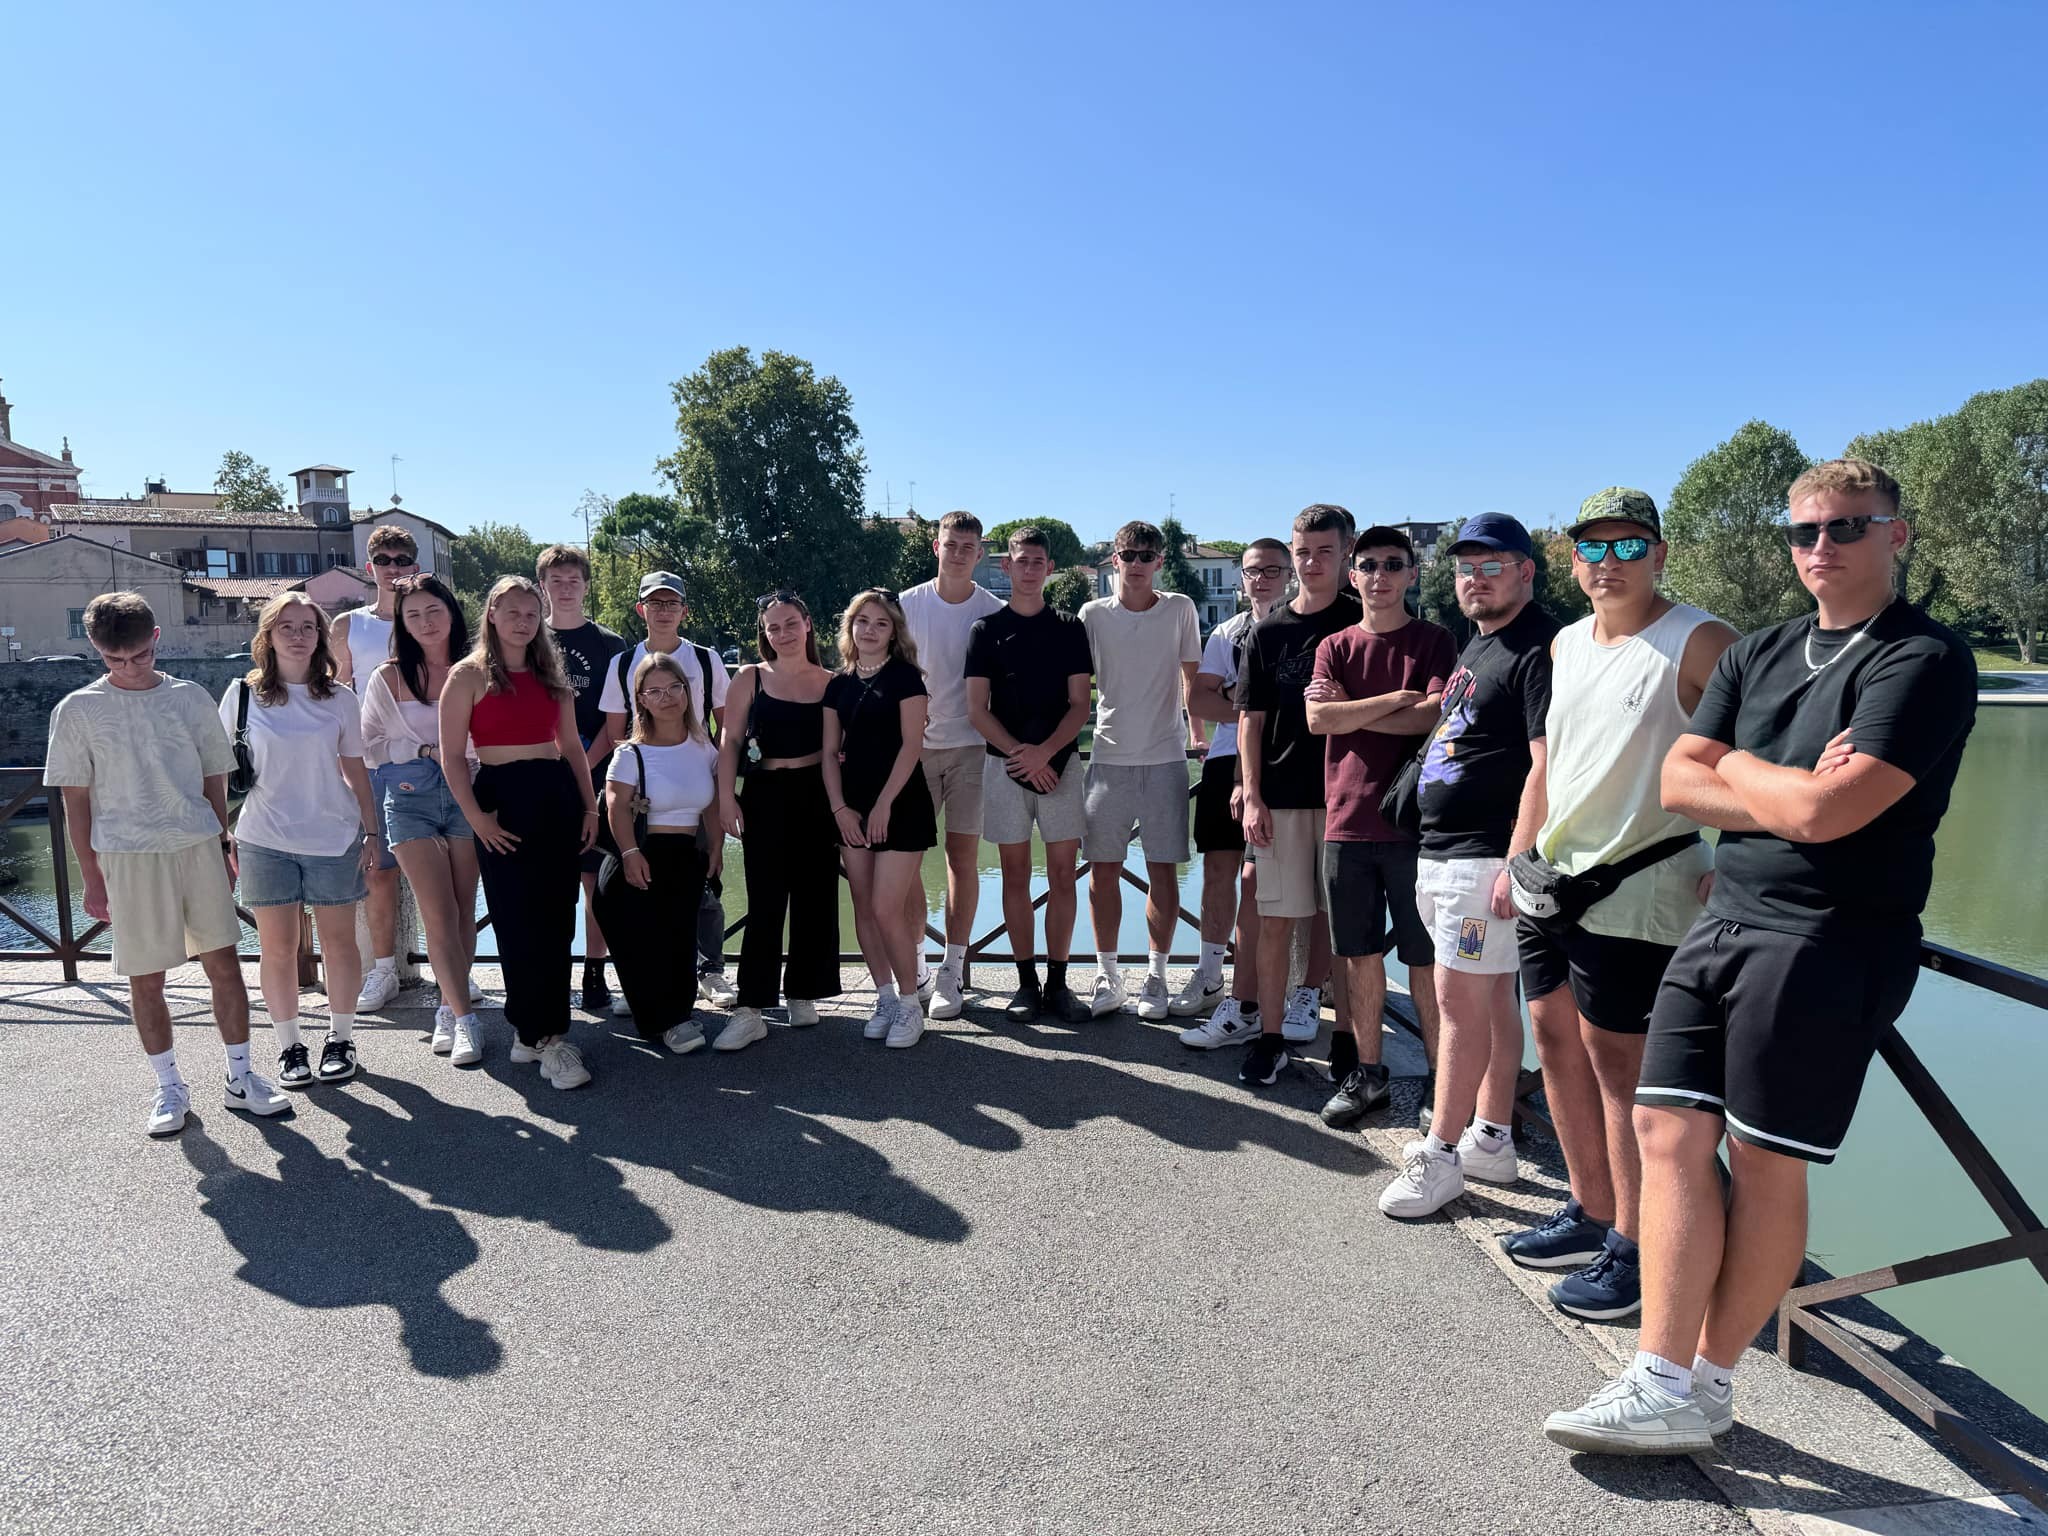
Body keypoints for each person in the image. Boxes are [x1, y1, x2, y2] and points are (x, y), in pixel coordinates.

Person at [1546, 460, 1975, 1454]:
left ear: (1895, 534)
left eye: (1845, 527)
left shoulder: (1922, 658)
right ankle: (1657, 1376)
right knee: (1664, 1132)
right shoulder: (1760, 651)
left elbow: (1830, 815)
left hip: (1829, 938)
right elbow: (1680, 781)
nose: (1819, 547)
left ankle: (1704, 1382)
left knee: (1765, 1163)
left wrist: (1736, 772)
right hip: (1722, 922)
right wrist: (1768, 778)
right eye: (1802, 531)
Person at [1501, 490, 1734, 1323]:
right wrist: (1518, 857)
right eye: (1593, 549)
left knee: (1623, 1072)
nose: (1610, 563)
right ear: (1571, 562)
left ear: (1660, 555)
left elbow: (1764, 755)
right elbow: (1551, 765)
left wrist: (1737, 860)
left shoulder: (1699, 640)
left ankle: (1639, 1249)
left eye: (1629, 546)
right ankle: (1592, 1209)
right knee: (1555, 1042)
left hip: (1642, 889)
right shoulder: (1566, 643)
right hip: (1550, 883)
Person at [44, 591, 289, 1135]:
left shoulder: (190, 698)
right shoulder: (77, 710)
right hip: (127, 856)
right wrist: (91, 878)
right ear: (96, 650)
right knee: (146, 978)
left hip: (195, 846)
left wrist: (222, 845)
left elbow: (213, 779)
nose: (129, 667)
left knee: (225, 966)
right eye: (114, 659)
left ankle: (241, 1077)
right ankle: (169, 1087)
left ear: (156, 639)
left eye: (140, 655)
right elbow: (75, 803)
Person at [1379, 512, 1558, 1219]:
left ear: (1525, 571)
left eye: (1491, 567)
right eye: (1464, 569)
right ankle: (1492, 1137)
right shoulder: (1479, 643)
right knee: (1489, 1000)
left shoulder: (1538, 649)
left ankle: (1441, 1155)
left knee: (1457, 1007)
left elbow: (1547, 763)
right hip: (1449, 851)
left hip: (1483, 860)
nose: (1474, 580)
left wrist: (1517, 860)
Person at [1305, 526, 1457, 1125]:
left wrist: (1353, 711)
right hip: (1346, 823)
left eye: (1394, 564)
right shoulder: (1335, 645)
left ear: (1412, 574)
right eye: (1368, 565)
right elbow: (1319, 720)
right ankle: (1369, 1076)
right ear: (1353, 576)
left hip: (1417, 828)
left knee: (1426, 960)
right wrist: (1396, 699)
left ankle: (1443, 1083)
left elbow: (1434, 716)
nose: (1380, 575)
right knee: (1359, 956)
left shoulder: (1436, 640)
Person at [442, 576, 600, 1089]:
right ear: (491, 613)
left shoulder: (551, 676)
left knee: (556, 919)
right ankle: (540, 1035)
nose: (522, 621)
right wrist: (476, 818)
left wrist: (589, 807)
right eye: (512, 612)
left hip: (555, 795)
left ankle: (538, 1035)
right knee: (515, 920)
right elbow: (451, 757)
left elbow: (572, 747)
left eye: (531, 614)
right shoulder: (467, 676)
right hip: (501, 800)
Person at [219, 594, 382, 1088]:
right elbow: (218, 771)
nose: (297, 635)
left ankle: (341, 1039)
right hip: (263, 837)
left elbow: (355, 769)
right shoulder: (241, 695)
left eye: (307, 627)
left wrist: (372, 830)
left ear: (320, 636)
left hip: (332, 835)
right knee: (278, 948)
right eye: (286, 626)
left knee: (339, 943)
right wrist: (222, 832)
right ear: (268, 636)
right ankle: (290, 1046)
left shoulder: (340, 699)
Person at [1237, 505, 1364, 1086]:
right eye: (1303, 552)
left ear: (1345, 553)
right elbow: (1250, 720)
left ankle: (1346, 1040)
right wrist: (1252, 794)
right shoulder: (1268, 631)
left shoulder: (1366, 621)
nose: (1312, 563)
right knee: (1276, 922)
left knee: (1345, 929)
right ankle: (1269, 1039)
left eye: (1324, 552)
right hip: (1282, 797)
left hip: (1349, 799)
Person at [963, 526, 1094, 1024]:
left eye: (1039, 561)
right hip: (1004, 765)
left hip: (1061, 764)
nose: (1030, 569)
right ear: (1006, 565)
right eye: (1022, 560)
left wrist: (1046, 754)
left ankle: (1059, 984)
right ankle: (1025, 983)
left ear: (1050, 568)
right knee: (1014, 875)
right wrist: (1022, 756)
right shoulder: (985, 630)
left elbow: (1080, 704)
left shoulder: (1069, 627)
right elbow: (977, 709)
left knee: (1063, 876)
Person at [1079, 521, 1204, 1019]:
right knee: (1101, 870)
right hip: (1107, 756)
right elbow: (1075, 684)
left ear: (1159, 561)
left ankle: (1156, 976)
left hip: (1166, 756)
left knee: (1162, 869)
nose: (1136, 563)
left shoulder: (1180, 608)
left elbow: (1192, 677)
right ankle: (1108, 975)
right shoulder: (1092, 614)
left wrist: (1197, 735)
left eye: (1146, 555)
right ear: (1114, 560)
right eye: (1128, 554)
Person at [359, 574, 484, 1065]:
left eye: (433, 610)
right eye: (413, 615)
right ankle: (464, 1018)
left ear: (451, 611)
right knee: (438, 911)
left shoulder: (477, 669)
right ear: (402, 624)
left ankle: (450, 1009)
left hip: (469, 794)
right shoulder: (388, 677)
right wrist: (426, 750)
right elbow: (370, 746)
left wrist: (456, 756)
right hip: (410, 798)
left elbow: (493, 734)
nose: (426, 622)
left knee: (463, 906)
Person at [599, 570, 736, 1008]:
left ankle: (710, 970)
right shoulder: (623, 663)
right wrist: (638, 774)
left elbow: (727, 726)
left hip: (698, 780)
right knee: (643, 889)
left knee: (706, 884)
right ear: (641, 609)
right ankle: (644, 980)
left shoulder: (706, 659)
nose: (663, 611)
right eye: (655, 603)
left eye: (671, 603)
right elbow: (615, 731)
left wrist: (717, 782)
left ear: (683, 610)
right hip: (646, 789)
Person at [717, 591, 843, 1049]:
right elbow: (730, 741)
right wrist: (725, 799)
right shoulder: (749, 677)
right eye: (773, 627)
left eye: (791, 623)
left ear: (807, 624)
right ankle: (751, 1007)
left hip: (817, 793)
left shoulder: (833, 682)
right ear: (764, 633)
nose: (783, 633)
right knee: (765, 899)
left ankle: (803, 992)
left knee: (815, 896)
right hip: (764, 793)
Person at [1176, 539, 1289, 1047]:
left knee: (1270, 877)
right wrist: (1252, 708)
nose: (1260, 580)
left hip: (1284, 763)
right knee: (1219, 871)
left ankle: (1277, 987)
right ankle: (1210, 974)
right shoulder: (1228, 631)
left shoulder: (1301, 627)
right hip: (1225, 760)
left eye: (1271, 571)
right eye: (1252, 571)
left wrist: (1236, 699)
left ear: (1287, 574)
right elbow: (1198, 700)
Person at [899, 511, 1005, 1019]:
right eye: (951, 544)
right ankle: (918, 962)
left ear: (980, 554)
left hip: (972, 749)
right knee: (907, 861)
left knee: (962, 860)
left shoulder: (994, 611)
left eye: (968, 547)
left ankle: (953, 969)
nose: (959, 553)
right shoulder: (906, 605)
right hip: (913, 749)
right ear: (936, 547)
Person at [824, 588, 939, 1048]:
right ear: (850, 627)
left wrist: (884, 803)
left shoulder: (906, 678)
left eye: (881, 623)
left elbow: (912, 746)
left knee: (886, 907)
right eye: (862, 621)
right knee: (864, 904)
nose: (870, 630)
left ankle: (911, 1004)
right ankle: (885, 997)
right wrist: (839, 808)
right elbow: (829, 752)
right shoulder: (838, 684)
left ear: (894, 632)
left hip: (900, 805)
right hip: (851, 806)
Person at [594, 653, 724, 1054]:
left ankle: (673, 1014)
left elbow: (712, 804)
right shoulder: (630, 753)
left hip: (685, 856)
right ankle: (663, 1021)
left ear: (687, 692)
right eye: (655, 691)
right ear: (641, 699)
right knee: (643, 945)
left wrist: (716, 846)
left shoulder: (704, 748)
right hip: (640, 857)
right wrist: (630, 852)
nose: (667, 697)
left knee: (679, 941)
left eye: (674, 687)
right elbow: (616, 807)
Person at [334, 524, 428, 1015]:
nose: (394, 568)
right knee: (379, 871)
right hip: (369, 762)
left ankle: (450, 971)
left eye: (402, 559)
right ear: (369, 567)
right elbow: (335, 694)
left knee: (441, 870)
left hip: (426, 758)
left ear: (415, 565)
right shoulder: (348, 625)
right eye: (385, 560)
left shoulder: (429, 617)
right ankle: (384, 970)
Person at [538, 544, 627, 1014]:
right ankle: (551, 973)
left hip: (597, 771)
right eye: (557, 581)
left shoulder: (610, 645)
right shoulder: (529, 639)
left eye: (574, 580)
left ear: (586, 586)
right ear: (543, 587)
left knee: (596, 881)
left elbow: (619, 722)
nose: (566, 588)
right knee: (551, 883)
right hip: (541, 776)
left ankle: (596, 970)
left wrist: (582, 766)